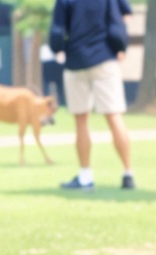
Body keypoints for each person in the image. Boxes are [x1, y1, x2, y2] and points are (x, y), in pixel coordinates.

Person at [49, 0, 135, 191]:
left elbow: (57, 29)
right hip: (104, 58)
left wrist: (59, 49)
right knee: (114, 116)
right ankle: (128, 173)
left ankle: (86, 176)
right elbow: (117, 22)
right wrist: (120, 47)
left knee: (81, 120)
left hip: (76, 60)